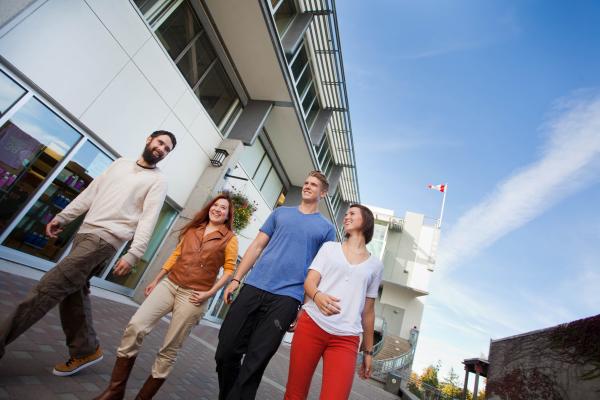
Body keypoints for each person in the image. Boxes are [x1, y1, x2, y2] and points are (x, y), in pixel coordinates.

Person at [0, 131, 176, 377]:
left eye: (167, 149)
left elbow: (148, 219)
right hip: (84, 234)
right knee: (73, 294)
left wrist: (134, 254)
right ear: (149, 140)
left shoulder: (157, 181)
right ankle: (86, 350)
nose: (162, 149)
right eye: (160, 143)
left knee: (47, 289)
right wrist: (64, 216)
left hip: (105, 241)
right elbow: (90, 194)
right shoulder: (120, 164)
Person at [94, 193, 238, 400]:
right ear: (209, 208)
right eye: (216, 205)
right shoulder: (193, 229)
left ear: (227, 215)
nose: (218, 209)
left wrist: (210, 293)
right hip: (170, 284)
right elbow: (175, 255)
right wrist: (156, 279)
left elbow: (229, 270)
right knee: (135, 326)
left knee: (169, 348)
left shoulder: (229, 239)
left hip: (194, 295)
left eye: (223, 208)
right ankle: (115, 391)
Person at [215, 171, 336, 400]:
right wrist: (236, 279)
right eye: (306, 182)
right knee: (226, 350)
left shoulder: (326, 229)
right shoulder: (281, 213)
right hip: (254, 286)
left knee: (256, 361)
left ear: (323, 193)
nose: (307, 186)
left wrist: (303, 308)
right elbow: (257, 247)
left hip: (287, 298)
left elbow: (318, 273)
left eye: (314, 185)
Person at [284, 204, 383, 400]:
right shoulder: (329, 248)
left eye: (352, 214)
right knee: (294, 394)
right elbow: (310, 282)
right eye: (345, 214)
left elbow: (369, 311)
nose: (346, 216)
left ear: (366, 221)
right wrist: (318, 296)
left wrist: (368, 352)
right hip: (312, 325)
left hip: (346, 338)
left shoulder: (376, 265)